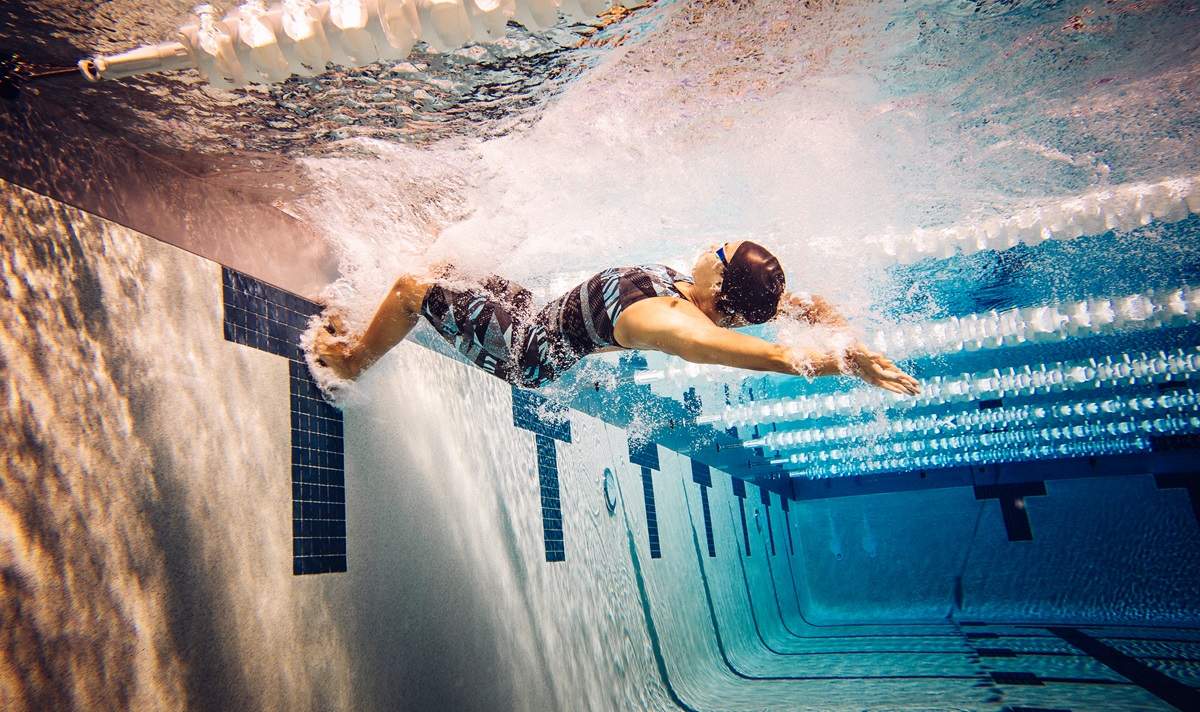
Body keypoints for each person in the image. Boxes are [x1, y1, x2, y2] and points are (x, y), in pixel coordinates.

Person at [311, 240, 920, 396]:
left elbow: (779, 355)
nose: (713, 248)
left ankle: (355, 361)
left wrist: (842, 364)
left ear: (720, 279)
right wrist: (850, 341)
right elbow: (800, 306)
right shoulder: (712, 295)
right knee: (452, 260)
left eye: (721, 253)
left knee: (415, 288)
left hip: (527, 350)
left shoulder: (677, 323)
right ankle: (368, 324)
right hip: (539, 313)